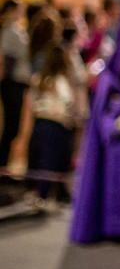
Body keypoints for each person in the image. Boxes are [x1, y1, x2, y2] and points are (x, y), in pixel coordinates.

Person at [23, 43, 87, 206]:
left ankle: (45, 192)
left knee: (44, 160)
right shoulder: (62, 82)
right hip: (57, 126)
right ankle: (45, 193)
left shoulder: (40, 79)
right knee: (52, 160)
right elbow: (70, 106)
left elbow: (31, 103)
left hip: (41, 123)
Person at [0, 0, 31, 170]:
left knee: (15, 127)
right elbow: (7, 59)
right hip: (12, 83)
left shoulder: (17, 29)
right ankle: (3, 165)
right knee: (11, 127)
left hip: (17, 83)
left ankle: (5, 164)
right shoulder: (9, 30)